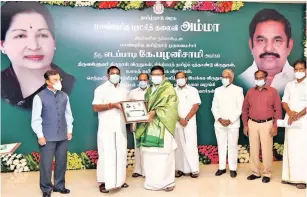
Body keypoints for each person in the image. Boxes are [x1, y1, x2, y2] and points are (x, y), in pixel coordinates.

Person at [1, 2, 75, 110]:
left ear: (54, 42)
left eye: (42, 35)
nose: (34, 46)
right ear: (2, 45)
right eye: (20, 35)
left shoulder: (71, 86)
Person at [135, 65, 178, 192]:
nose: (156, 77)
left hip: (163, 126)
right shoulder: (149, 90)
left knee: (165, 155)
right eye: (154, 75)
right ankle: (152, 182)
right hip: (149, 126)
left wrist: (154, 112)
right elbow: (146, 106)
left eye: (159, 75)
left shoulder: (169, 89)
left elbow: (171, 108)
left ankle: (167, 183)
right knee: (150, 154)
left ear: (164, 76)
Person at [31, 70, 73, 197]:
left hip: (63, 135)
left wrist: (69, 130)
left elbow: (68, 114)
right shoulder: (39, 97)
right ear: (47, 82)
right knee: (46, 164)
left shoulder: (65, 95)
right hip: (47, 136)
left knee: (61, 161)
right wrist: (40, 135)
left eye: (59, 79)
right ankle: (46, 189)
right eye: (54, 80)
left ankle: (59, 186)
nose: (58, 82)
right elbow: (36, 118)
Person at [237, 8, 294, 94]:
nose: (268, 48)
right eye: (261, 40)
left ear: (289, 46)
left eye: (277, 41)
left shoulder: (303, 81)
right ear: (251, 45)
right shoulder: (239, 82)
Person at [92, 66, 129, 193]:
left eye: (117, 74)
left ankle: (120, 180)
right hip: (106, 127)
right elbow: (95, 107)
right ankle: (103, 182)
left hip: (120, 127)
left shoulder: (124, 90)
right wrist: (111, 105)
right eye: (112, 73)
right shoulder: (100, 89)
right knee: (105, 154)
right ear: (107, 75)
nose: (115, 76)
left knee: (121, 153)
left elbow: (127, 107)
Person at [242, 70, 282, 183]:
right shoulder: (250, 92)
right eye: (257, 77)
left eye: (261, 77)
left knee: (267, 150)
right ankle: (255, 172)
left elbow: (278, 110)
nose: (258, 79)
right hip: (252, 123)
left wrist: (275, 126)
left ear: (266, 78)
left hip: (267, 124)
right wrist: (245, 125)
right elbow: (244, 109)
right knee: (253, 149)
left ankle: (267, 173)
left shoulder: (273, 92)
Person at [211, 69, 244, 178]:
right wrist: (219, 119)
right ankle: (221, 168)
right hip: (219, 124)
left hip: (233, 124)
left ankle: (233, 168)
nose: (224, 79)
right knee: (221, 145)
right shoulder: (217, 90)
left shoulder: (238, 90)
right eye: (223, 77)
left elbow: (240, 108)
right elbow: (214, 107)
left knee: (232, 146)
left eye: (227, 77)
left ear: (232, 78)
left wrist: (230, 120)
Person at [281, 59, 307, 189]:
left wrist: (298, 115)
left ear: (306, 70)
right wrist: (290, 112)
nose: (298, 72)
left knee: (302, 149)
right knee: (290, 147)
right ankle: (288, 176)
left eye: (301, 69)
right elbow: (284, 101)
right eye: (296, 69)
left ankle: (302, 179)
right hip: (290, 120)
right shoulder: (289, 85)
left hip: (304, 121)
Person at [174, 71, 201, 178]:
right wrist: (179, 119)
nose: (180, 80)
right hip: (177, 122)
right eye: (178, 78)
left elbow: (195, 106)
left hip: (189, 122)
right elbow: (171, 107)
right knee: (178, 146)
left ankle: (194, 169)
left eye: (182, 77)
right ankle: (180, 169)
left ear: (186, 78)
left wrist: (186, 119)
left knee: (191, 145)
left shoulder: (193, 90)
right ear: (175, 79)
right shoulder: (173, 91)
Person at [128, 73, 149, 178]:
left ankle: (147, 171)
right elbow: (129, 110)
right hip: (136, 123)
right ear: (138, 81)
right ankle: (138, 170)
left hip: (150, 123)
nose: (143, 82)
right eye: (141, 80)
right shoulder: (132, 93)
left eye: (144, 80)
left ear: (148, 81)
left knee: (148, 147)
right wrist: (132, 124)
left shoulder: (153, 91)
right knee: (138, 146)